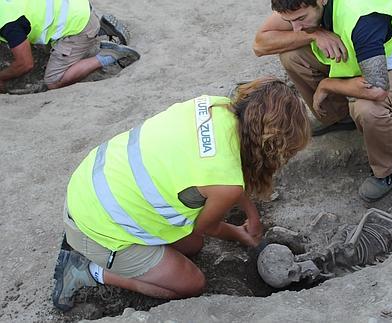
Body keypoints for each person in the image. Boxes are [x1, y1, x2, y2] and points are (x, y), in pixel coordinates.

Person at [51, 77, 311, 311]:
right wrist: (243, 236)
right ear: (272, 145)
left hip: (90, 185)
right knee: (191, 284)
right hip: (97, 229)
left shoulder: (215, 106)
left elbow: (223, 173)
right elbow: (206, 227)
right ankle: (87, 270)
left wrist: (251, 214)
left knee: (192, 247)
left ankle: (114, 246)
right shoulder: (226, 184)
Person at [253, 0, 392, 202]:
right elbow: (260, 44)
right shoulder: (300, 5)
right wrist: (313, 33)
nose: (295, 27)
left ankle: (390, 167)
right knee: (291, 54)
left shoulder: (362, 19)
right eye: (289, 21)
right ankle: (338, 117)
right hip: (356, 60)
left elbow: (377, 90)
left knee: (368, 109)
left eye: (301, 19)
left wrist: (327, 85)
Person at [0, 0, 139, 93]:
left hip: (77, 27)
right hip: (75, 7)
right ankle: (99, 29)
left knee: (53, 81)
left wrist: (2, 77)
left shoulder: (8, 24)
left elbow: (25, 64)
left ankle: (108, 55)